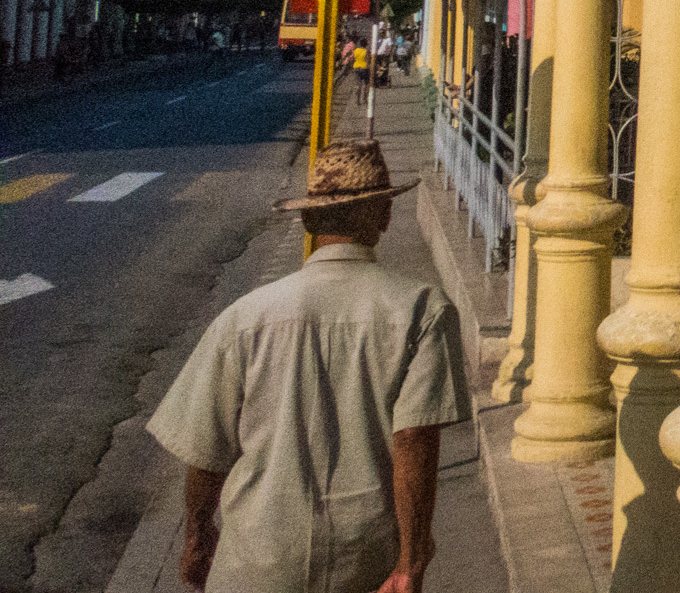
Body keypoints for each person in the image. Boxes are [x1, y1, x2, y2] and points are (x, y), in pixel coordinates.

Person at [148, 139, 472, 593]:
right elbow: (414, 439)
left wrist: (198, 539)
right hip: (362, 564)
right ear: (383, 216)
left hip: (254, 564)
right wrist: (410, 561)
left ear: (307, 219)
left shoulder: (245, 317)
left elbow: (206, 449)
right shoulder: (422, 310)